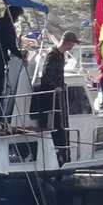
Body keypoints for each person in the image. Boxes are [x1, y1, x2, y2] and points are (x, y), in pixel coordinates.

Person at [33, 31, 78, 166]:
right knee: (57, 126)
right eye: (73, 43)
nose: (73, 46)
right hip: (52, 99)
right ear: (68, 42)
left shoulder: (60, 55)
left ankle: (62, 156)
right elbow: (46, 76)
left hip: (58, 99)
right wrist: (55, 87)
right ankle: (59, 155)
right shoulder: (53, 56)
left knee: (61, 126)